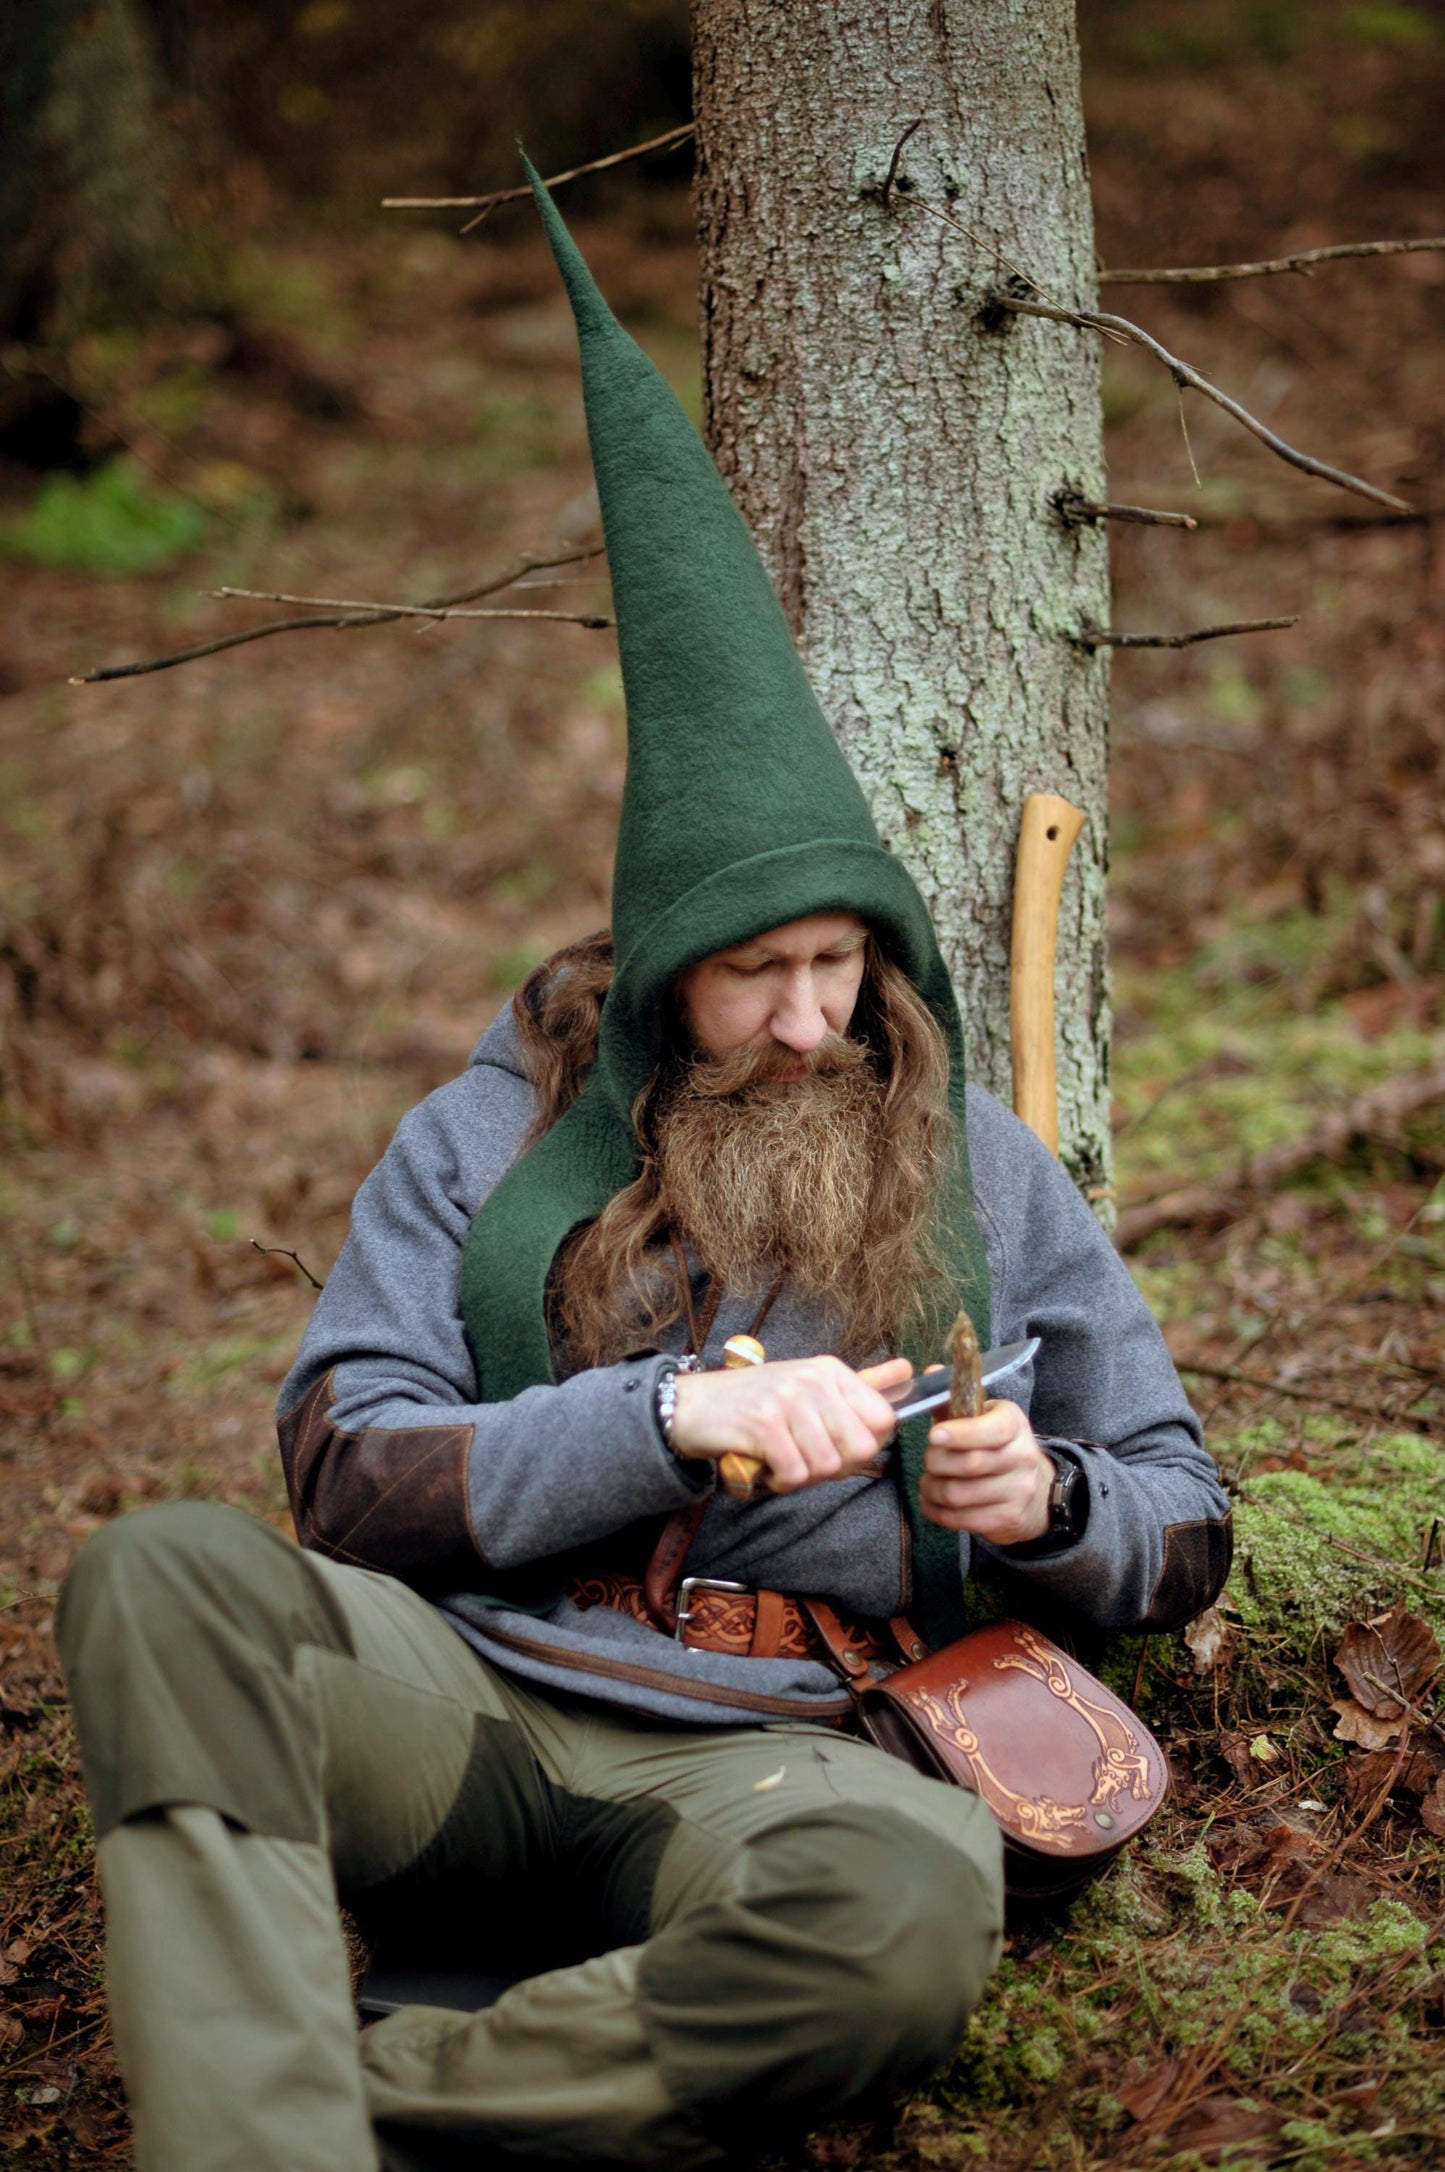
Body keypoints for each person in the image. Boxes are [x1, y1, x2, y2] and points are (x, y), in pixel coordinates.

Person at [56, 167, 1231, 2172]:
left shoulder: (984, 1177)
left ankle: (346, 2101)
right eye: (751, 975)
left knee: (903, 1923)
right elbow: (347, 1464)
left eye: (836, 966)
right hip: (474, 1706)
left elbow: (1186, 1521)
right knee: (162, 1583)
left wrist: (1045, 1504)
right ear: (655, 978)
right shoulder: (486, 1138)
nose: (800, 1019)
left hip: (793, 1758)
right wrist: (671, 1419)